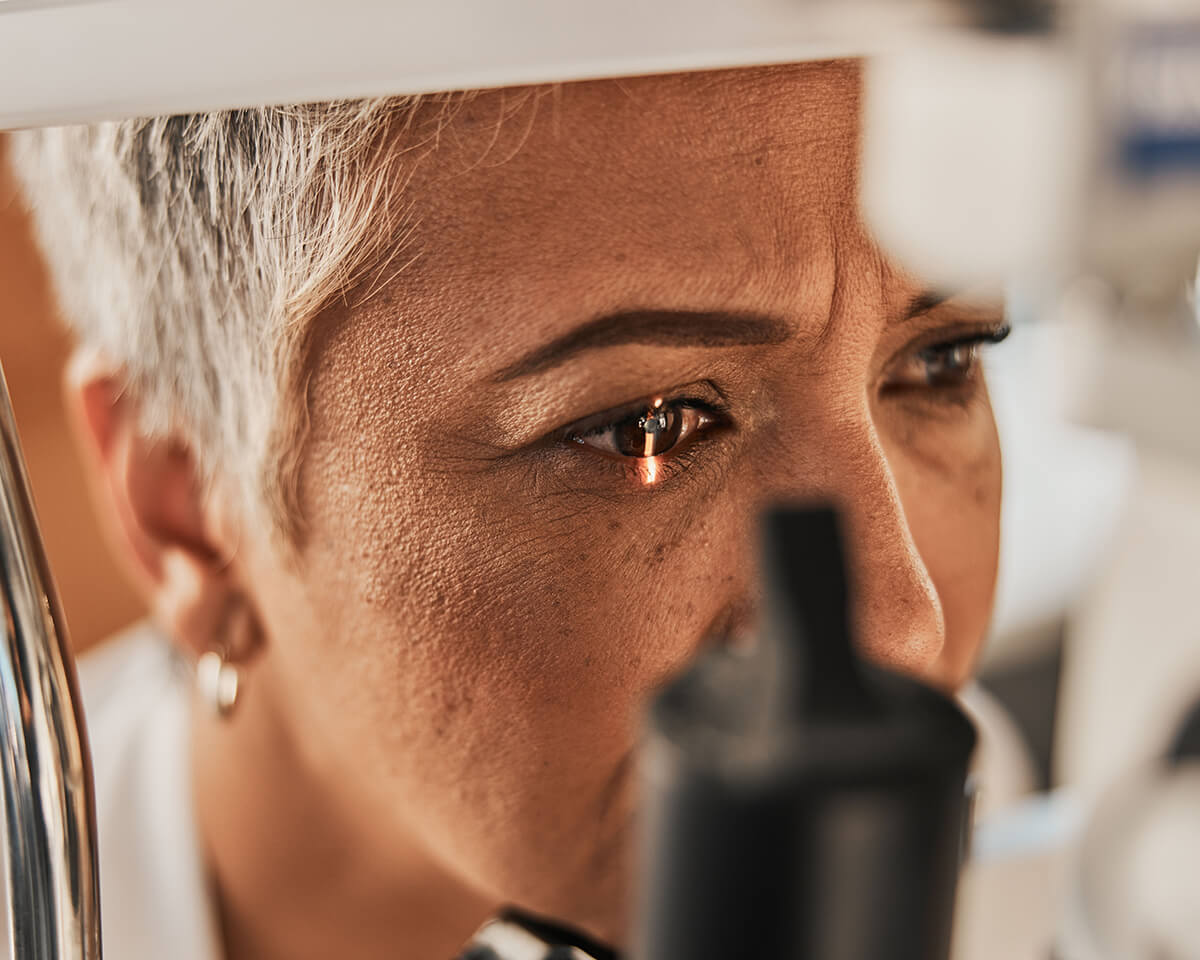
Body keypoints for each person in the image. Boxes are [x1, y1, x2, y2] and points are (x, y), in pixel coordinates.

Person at [10, 58, 1007, 960]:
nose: (902, 634)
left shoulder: (985, 824)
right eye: (648, 428)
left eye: (940, 362)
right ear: (191, 506)